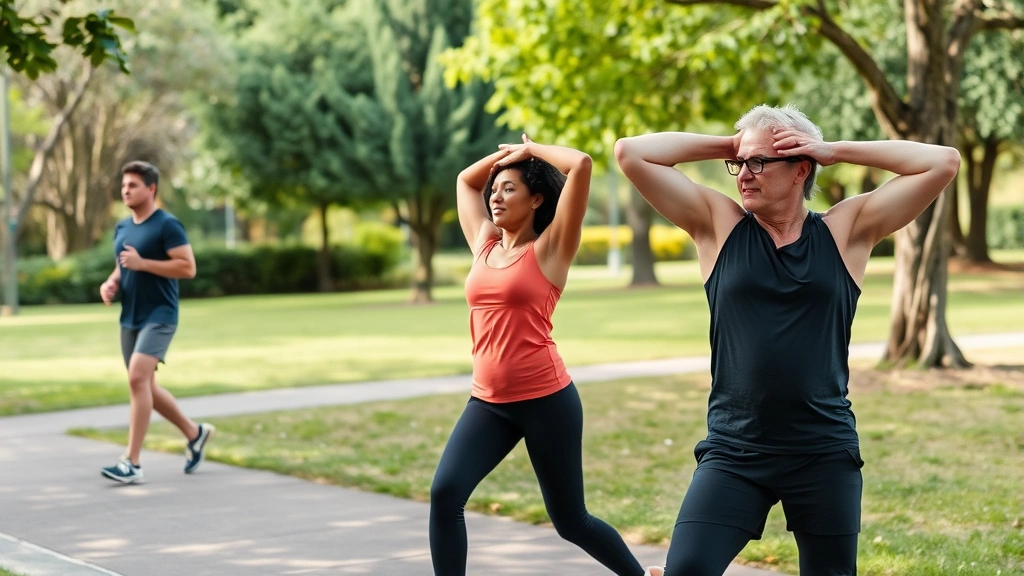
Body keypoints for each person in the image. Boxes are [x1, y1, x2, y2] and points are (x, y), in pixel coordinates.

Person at [615, 104, 960, 576]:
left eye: (759, 162)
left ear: (801, 168)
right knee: (688, 570)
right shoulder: (719, 225)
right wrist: (734, 143)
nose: (743, 174)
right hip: (735, 449)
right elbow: (632, 154)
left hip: (822, 448)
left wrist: (833, 151)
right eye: (739, 164)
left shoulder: (845, 230)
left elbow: (942, 162)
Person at [428, 135, 644, 576]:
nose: (496, 197)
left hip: (546, 400)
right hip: (488, 402)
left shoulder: (551, 249)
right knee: (445, 494)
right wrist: (504, 159)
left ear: (536, 199)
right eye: (496, 190)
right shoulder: (485, 244)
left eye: (509, 189)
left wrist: (531, 151)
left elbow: (581, 164)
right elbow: (465, 182)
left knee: (570, 521)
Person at [98, 160, 215, 484]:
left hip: (160, 315)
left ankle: (131, 462)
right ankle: (195, 433)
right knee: (145, 385)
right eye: (123, 185)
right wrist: (112, 283)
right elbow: (123, 266)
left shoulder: (168, 225)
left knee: (137, 379)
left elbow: (187, 267)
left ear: (151, 189)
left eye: (133, 185)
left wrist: (144, 263)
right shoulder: (122, 228)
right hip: (131, 315)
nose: (126, 190)